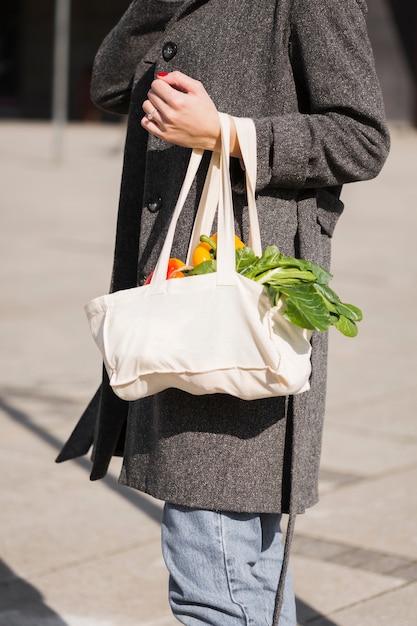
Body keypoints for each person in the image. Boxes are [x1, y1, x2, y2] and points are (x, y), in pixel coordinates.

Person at [57, 1, 390, 624]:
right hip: (184, 298)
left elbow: (363, 138)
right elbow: (110, 82)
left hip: (237, 304)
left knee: (217, 574)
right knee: (242, 571)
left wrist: (228, 132)